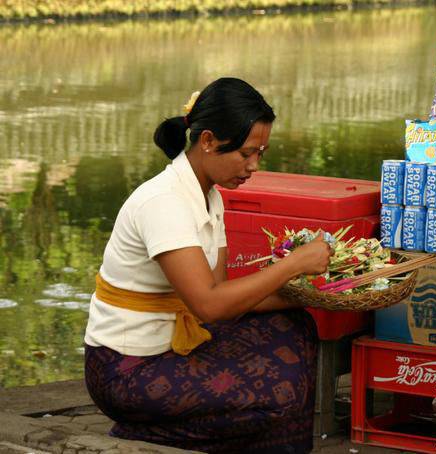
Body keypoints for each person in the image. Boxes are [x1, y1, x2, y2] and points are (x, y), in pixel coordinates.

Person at [83, 77, 332, 453]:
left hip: (176, 342)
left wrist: (310, 295)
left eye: (260, 153)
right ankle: (142, 435)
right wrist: (293, 265)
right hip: (126, 369)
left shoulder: (208, 196)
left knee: (295, 327)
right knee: (277, 395)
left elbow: (224, 299)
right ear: (209, 141)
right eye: (246, 153)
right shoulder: (164, 202)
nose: (253, 166)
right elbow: (210, 305)